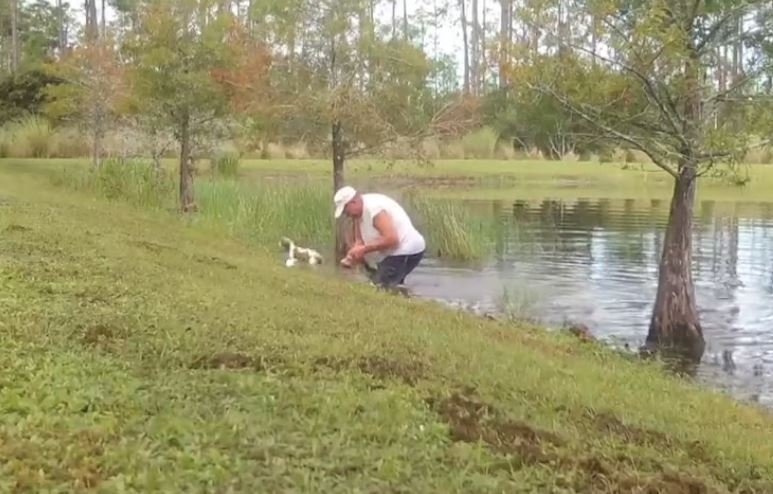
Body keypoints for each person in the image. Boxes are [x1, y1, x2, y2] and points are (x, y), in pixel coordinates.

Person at [334, 186, 425, 288]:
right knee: (388, 284)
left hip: (406, 249)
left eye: (346, 210)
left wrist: (363, 249)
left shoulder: (374, 209)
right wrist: (354, 253)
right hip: (391, 253)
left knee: (379, 286)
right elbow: (359, 240)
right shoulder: (358, 213)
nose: (346, 214)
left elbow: (392, 239)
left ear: (353, 202)